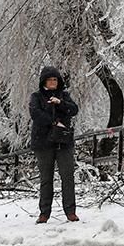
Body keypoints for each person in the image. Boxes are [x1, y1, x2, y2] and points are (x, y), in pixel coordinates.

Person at [29, 66, 80, 224]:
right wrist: (54, 122)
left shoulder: (63, 96)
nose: (53, 82)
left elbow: (74, 110)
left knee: (68, 177)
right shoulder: (36, 96)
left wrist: (60, 103)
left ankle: (70, 211)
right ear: (44, 81)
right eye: (50, 79)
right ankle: (44, 212)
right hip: (43, 142)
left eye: (55, 79)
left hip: (63, 142)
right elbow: (35, 114)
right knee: (46, 179)